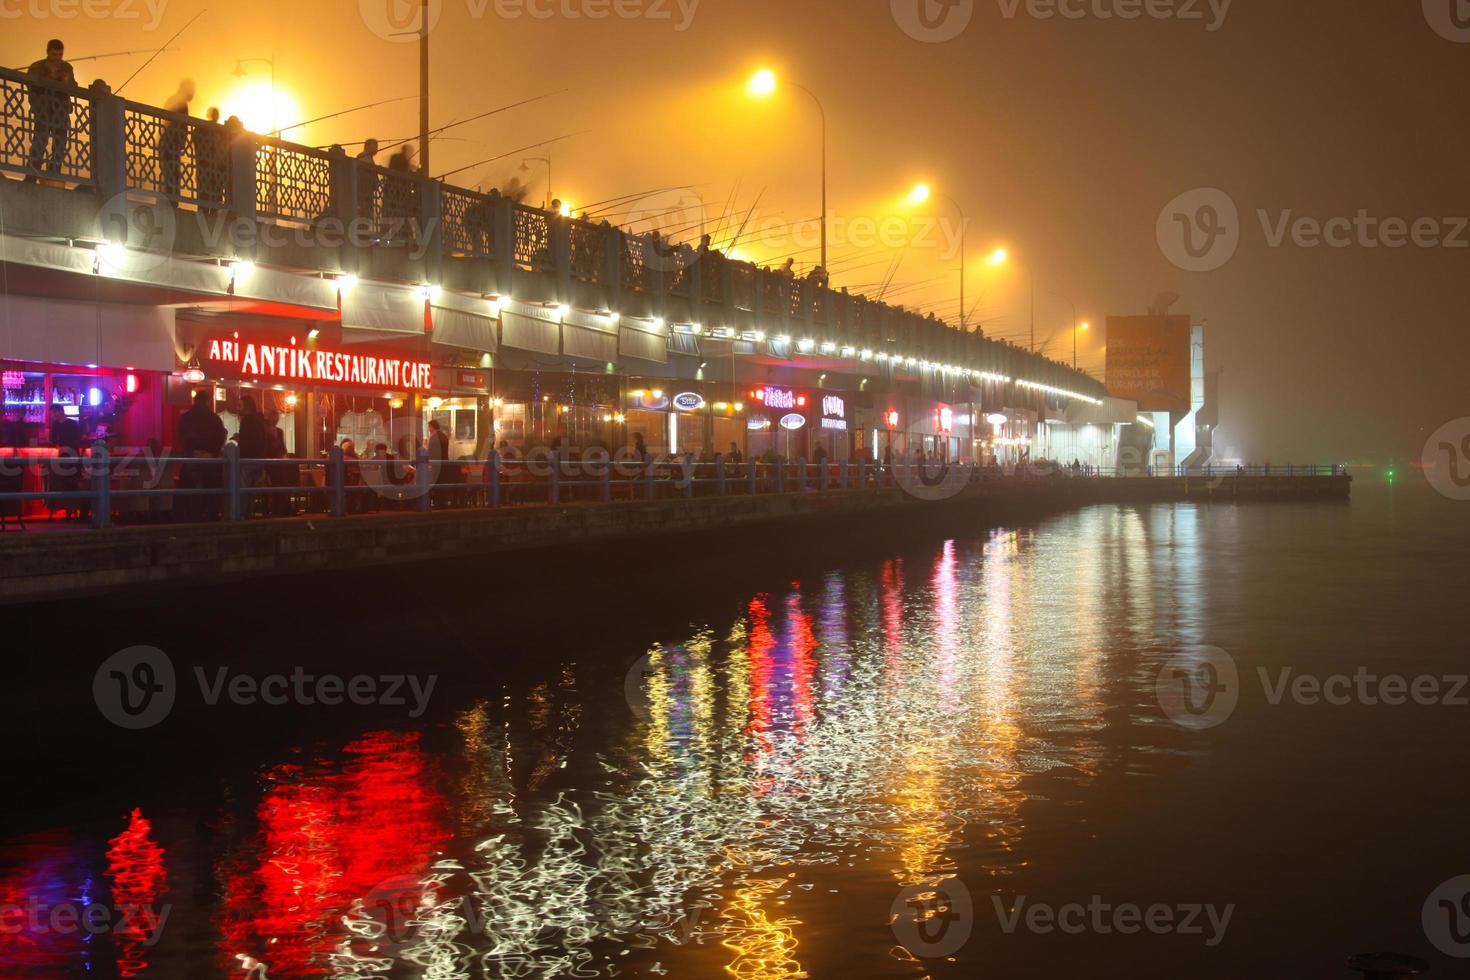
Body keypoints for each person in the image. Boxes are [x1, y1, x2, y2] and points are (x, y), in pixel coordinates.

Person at [25, 40, 77, 181]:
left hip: (61, 111)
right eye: (55, 54)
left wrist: (66, 80)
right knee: (40, 142)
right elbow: (31, 84)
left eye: (60, 55)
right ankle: (32, 174)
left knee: (60, 144)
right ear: (48, 52)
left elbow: (73, 87)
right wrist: (49, 78)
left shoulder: (67, 68)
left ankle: (54, 173)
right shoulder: (37, 67)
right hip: (43, 110)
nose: (58, 58)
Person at [178, 390, 226, 521]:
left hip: (193, 456)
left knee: (192, 487)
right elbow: (220, 437)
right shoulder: (214, 418)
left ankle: (194, 515)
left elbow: (183, 436)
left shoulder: (186, 417)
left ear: (195, 400)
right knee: (209, 486)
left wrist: (191, 451)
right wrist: (212, 452)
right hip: (209, 458)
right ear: (208, 401)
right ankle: (209, 514)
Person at [160, 78, 196, 198]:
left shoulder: (175, 100)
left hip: (169, 143)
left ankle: (171, 200)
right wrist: (180, 140)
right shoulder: (180, 103)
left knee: (170, 174)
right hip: (171, 143)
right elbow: (178, 124)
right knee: (172, 174)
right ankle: (171, 201)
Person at [236, 395, 269, 517]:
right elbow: (262, 441)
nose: (239, 408)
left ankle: (242, 515)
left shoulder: (246, 421)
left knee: (244, 489)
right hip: (258, 459)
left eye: (241, 405)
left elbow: (245, 442)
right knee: (252, 490)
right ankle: (249, 514)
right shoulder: (259, 421)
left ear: (247, 406)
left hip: (247, 459)